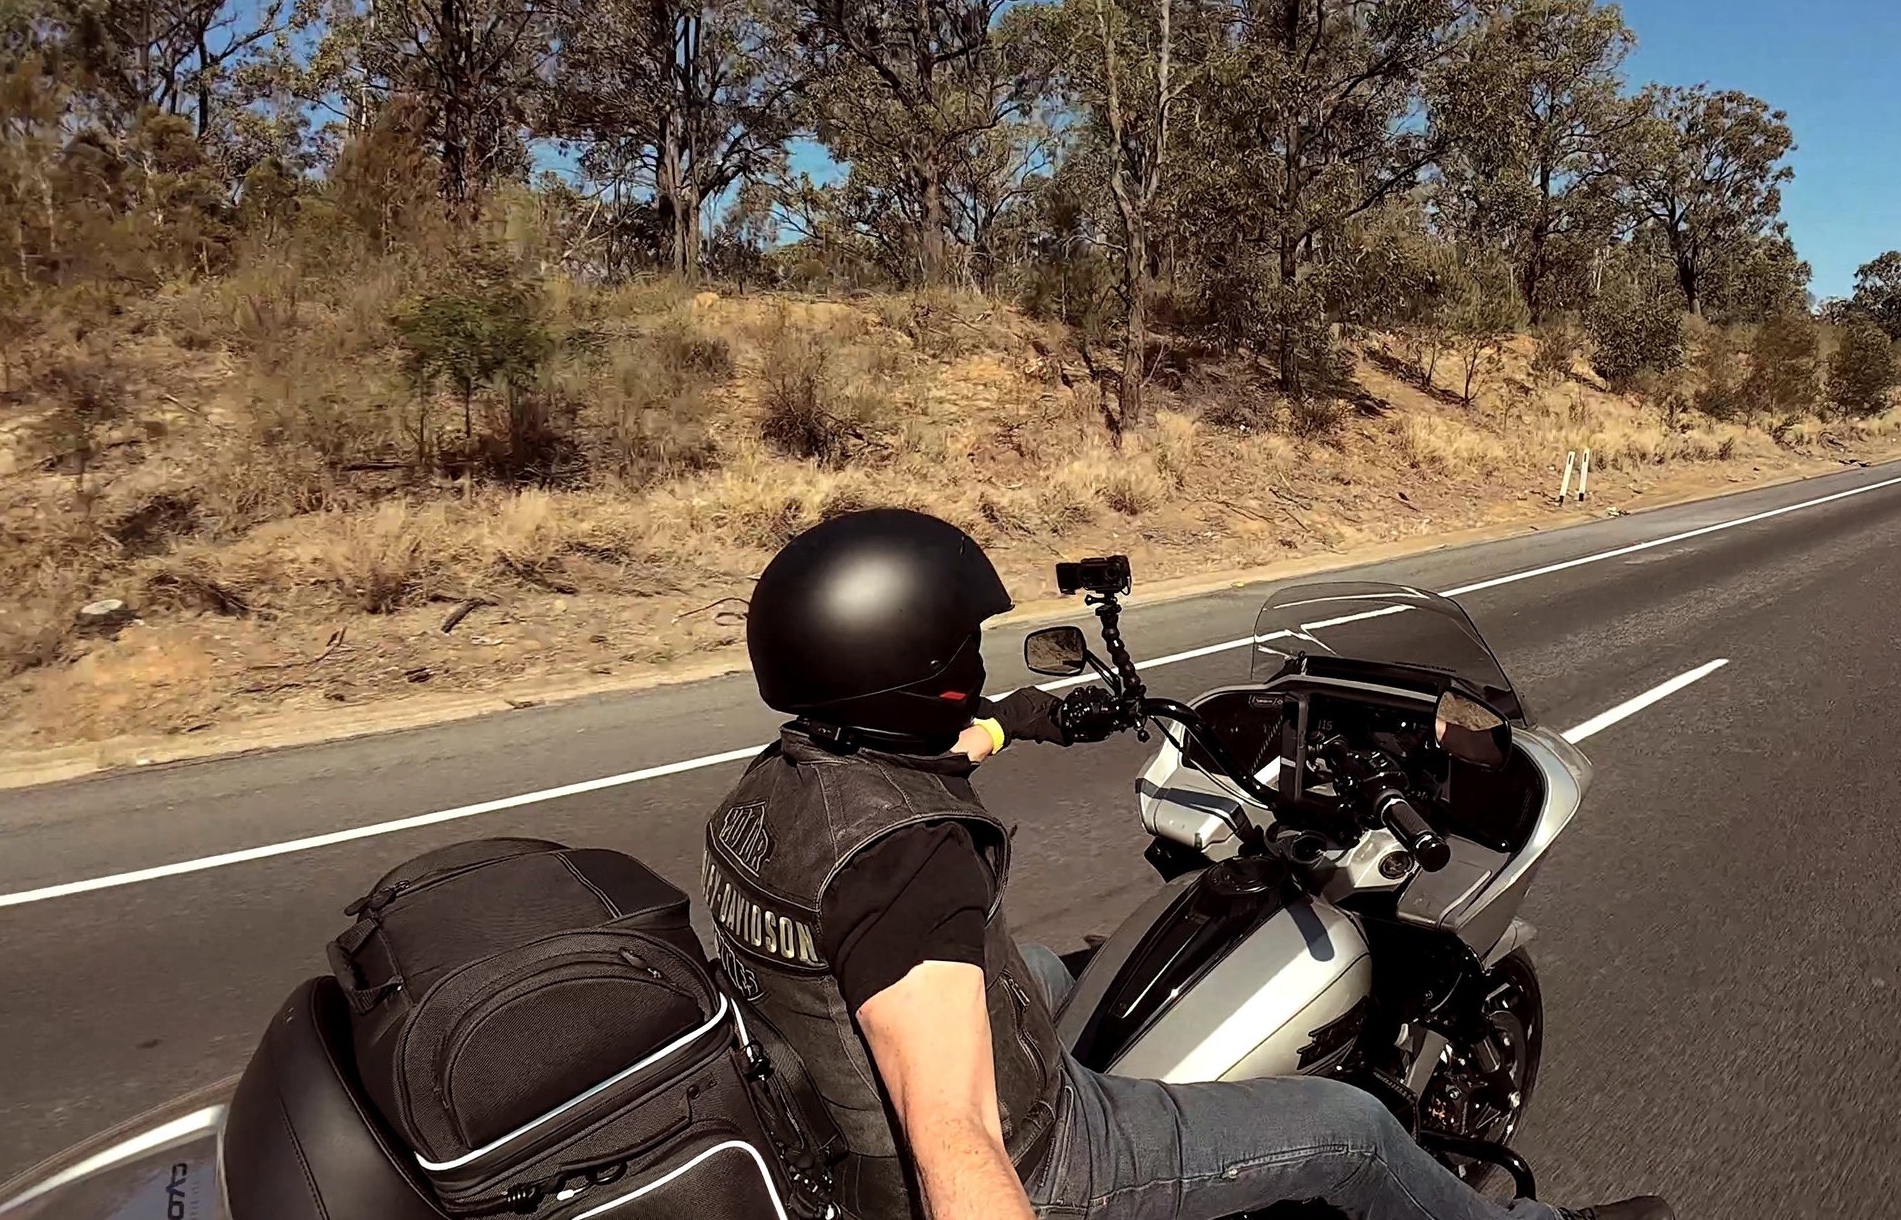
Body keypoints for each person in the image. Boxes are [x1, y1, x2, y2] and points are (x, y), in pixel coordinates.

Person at [702, 508, 1668, 1220]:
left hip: (823, 1107)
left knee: (1082, 963)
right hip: (1046, 1156)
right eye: (964, 648)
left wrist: (1018, 721)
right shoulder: (911, 865)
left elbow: (922, 760)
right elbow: (956, 1138)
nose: (976, 661)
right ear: (919, 668)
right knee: (1352, 1132)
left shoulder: (783, 785)